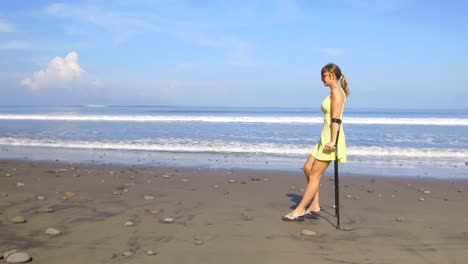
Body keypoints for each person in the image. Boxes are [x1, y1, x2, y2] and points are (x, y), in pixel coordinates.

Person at [282, 63, 349, 221]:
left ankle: (298, 211)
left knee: (314, 174)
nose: (321, 79)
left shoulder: (337, 93)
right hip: (323, 137)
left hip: (331, 138)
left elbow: (336, 119)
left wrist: (333, 141)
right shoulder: (332, 92)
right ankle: (314, 205)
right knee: (307, 168)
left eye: (324, 75)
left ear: (332, 75)